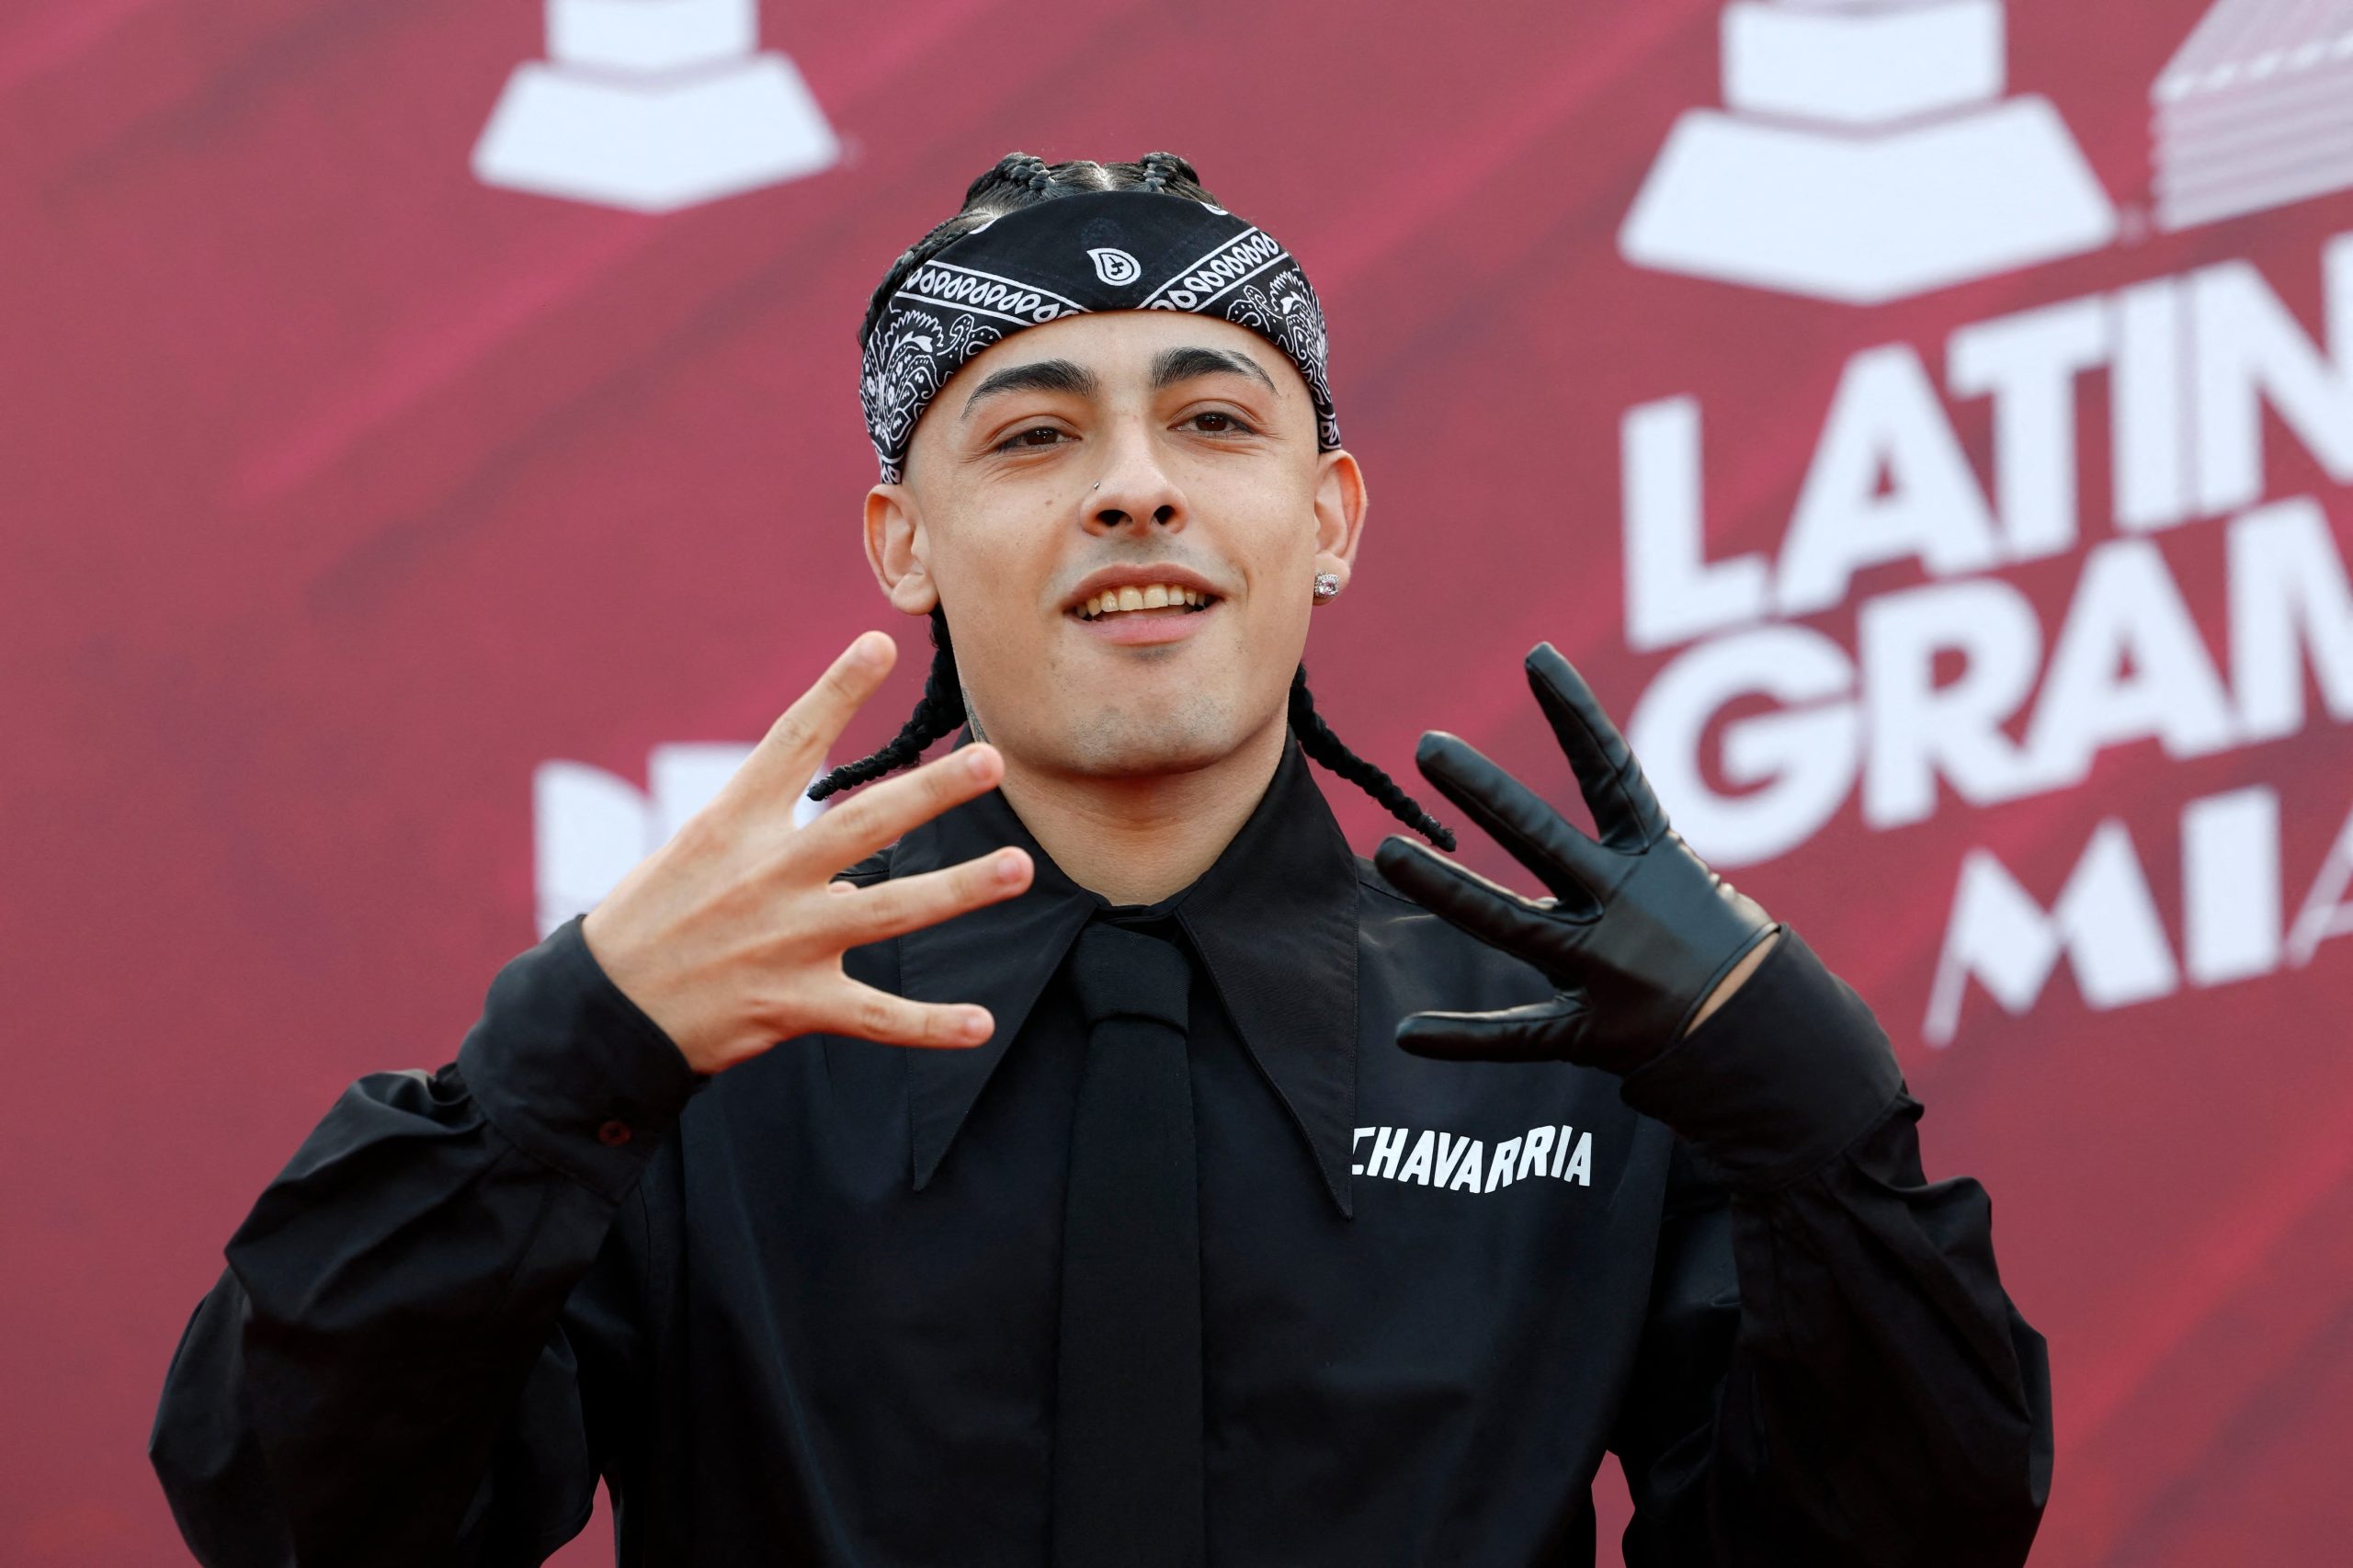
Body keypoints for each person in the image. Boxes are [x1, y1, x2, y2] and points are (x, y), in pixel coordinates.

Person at [151, 152, 2053, 1567]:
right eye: (1033, 431)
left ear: (1324, 518)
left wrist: (1819, 1119)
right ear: (903, 544)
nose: (1132, 481)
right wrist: (549, 1066)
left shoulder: (1578, 1032)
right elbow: (288, 1513)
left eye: (1210, 418)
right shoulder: (694, 1037)